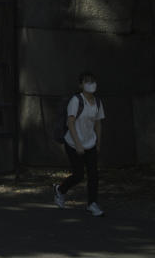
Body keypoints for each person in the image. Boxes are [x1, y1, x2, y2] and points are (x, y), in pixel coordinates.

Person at [53, 71, 106, 217]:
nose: (90, 84)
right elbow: (70, 123)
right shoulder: (76, 101)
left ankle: (92, 203)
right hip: (73, 142)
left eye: (93, 81)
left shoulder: (97, 102)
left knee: (93, 175)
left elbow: (98, 123)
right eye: (87, 81)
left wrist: (98, 143)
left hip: (90, 143)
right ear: (81, 85)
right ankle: (60, 190)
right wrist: (78, 144)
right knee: (78, 175)